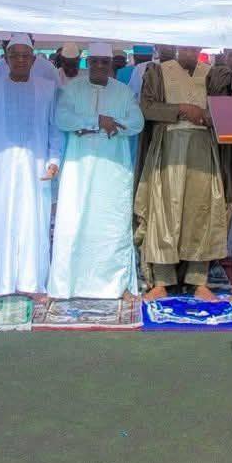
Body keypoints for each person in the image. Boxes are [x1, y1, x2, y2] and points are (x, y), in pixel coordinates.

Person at [47, 43, 143, 300]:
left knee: (112, 224)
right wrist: (96, 121)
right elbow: (62, 119)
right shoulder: (71, 89)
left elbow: (137, 122)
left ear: (111, 64)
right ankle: (68, 284)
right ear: (87, 63)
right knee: (74, 222)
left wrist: (106, 124)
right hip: (79, 169)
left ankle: (118, 283)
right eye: (95, 62)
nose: (100, 66)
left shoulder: (123, 92)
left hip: (113, 171)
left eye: (104, 62)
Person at [0, 37, 63, 297]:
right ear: (6, 59)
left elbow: (55, 128)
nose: (20, 60)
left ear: (34, 60)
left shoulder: (47, 88)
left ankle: (33, 284)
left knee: (34, 225)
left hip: (37, 168)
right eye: (15, 55)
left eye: (25, 56)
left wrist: (54, 161)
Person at [135, 45, 230, 298]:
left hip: (202, 150)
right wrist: (181, 109)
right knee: (165, 211)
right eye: (184, 44)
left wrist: (207, 116)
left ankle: (198, 281)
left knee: (201, 211)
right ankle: (162, 282)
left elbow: (224, 111)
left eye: (193, 44)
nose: (188, 49)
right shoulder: (158, 71)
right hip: (169, 150)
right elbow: (146, 107)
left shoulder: (212, 74)